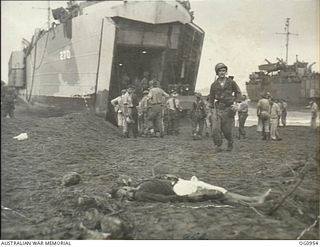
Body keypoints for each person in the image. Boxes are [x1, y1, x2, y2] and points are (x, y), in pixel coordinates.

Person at [113, 174, 271, 206]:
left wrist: (167, 177)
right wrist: (185, 198)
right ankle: (254, 201)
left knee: (220, 192)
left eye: (125, 189)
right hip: (180, 190)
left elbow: (157, 183)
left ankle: (253, 200)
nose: (128, 190)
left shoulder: (140, 186)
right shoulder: (141, 194)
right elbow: (162, 199)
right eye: (126, 194)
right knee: (218, 193)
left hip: (180, 184)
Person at [209, 63, 241, 151]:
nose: (222, 73)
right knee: (215, 128)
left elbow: (238, 92)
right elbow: (211, 97)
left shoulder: (231, 82)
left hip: (228, 109)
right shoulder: (214, 85)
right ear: (217, 73)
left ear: (226, 72)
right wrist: (210, 110)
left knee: (227, 131)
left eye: (223, 71)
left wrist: (236, 104)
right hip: (218, 108)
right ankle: (217, 145)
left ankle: (230, 141)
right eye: (220, 71)